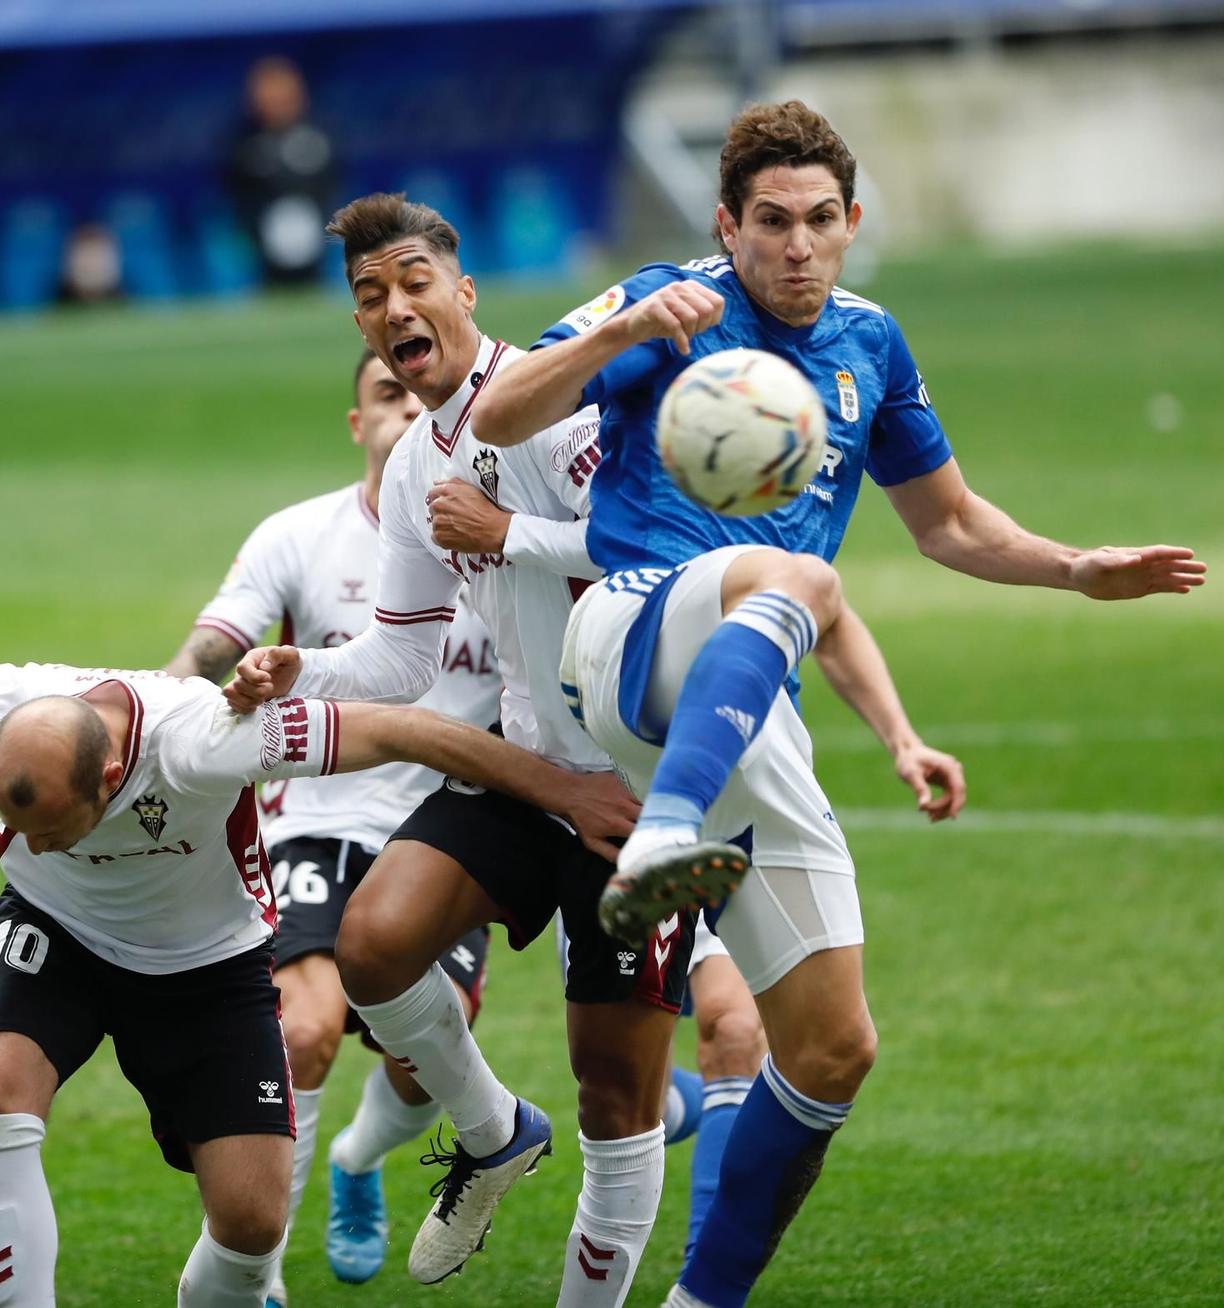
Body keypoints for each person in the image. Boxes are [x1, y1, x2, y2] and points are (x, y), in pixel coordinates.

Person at [474, 100, 1204, 1308]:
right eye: (770, 224)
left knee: (828, 1052)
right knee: (800, 579)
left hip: (751, 692)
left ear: (852, 221)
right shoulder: (673, 300)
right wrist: (624, 333)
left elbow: (951, 523)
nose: (797, 247)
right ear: (727, 223)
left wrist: (1078, 570)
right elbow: (497, 419)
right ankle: (662, 837)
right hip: (629, 632)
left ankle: (698, 1301)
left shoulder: (871, 342)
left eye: (821, 222)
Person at [227, 193, 960, 1307]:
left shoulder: (571, 406)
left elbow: (654, 546)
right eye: (368, 295)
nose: (392, 308)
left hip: (628, 787)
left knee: (615, 1097)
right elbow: (399, 660)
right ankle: (489, 1131)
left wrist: (510, 534)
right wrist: (304, 669)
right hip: (527, 769)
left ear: (463, 291)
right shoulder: (424, 467)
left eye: (413, 281)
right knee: (373, 943)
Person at [0, 657, 630, 1308]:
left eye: (48, 825)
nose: (21, 838)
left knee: (250, 1223)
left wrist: (565, 792)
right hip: (56, 936)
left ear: (109, 783)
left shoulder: (204, 740)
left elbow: (404, 730)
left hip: (208, 972)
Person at [161, 351, 507, 1302]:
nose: (404, 409)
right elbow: (214, 643)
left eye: (418, 393)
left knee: (422, 1061)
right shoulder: (298, 535)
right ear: (359, 425)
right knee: (304, 1029)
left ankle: (358, 1159)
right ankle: (255, 1276)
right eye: (383, 396)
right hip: (311, 816)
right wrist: (155, 714)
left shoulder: (498, 533)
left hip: (446, 825)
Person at [224, 56, 340, 287]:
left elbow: (334, 187)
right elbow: (234, 194)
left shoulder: (319, 137)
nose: (276, 104)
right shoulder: (243, 143)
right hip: (262, 250)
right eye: (268, 96)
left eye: (283, 96)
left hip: (318, 245)